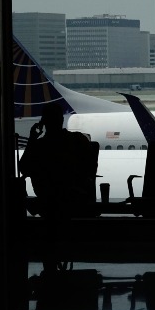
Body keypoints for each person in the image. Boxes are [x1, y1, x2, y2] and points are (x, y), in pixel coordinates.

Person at [19, 102, 97, 270]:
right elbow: (90, 170)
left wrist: (32, 139)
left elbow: (23, 169)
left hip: (47, 201)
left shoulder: (39, 146)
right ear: (62, 120)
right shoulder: (78, 140)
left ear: (43, 122)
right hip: (73, 198)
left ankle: (50, 260)